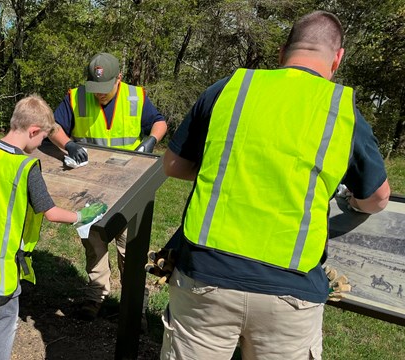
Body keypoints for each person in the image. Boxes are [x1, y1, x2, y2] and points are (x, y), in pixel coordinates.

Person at [160, 11, 391, 360]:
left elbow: (174, 165)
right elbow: (377, 197)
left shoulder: (230, 87)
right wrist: (352, 203)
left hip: (206, 275)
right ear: (337, 59)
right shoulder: (342, 110)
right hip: (291, 292)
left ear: (282, 53)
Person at [0, 94, 108, 360]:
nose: (43, 142)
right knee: (4, 317)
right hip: (3, 261)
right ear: (32, 131)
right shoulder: (26, 166)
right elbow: (50, 212)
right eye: (43, 137)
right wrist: (80, 215)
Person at [49, 52, 168, 321]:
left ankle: (133, 303)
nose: (99, 95)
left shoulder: (136, 96)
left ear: (119, 79)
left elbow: (159, 122)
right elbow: (52, 125)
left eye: (105, 89)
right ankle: (96, 295)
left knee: (129, 246)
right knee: (93, 242)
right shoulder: (76, 96)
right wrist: (67, 143)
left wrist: (151, 140)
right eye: (95, 88)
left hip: (129, 188)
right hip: (88, 188)